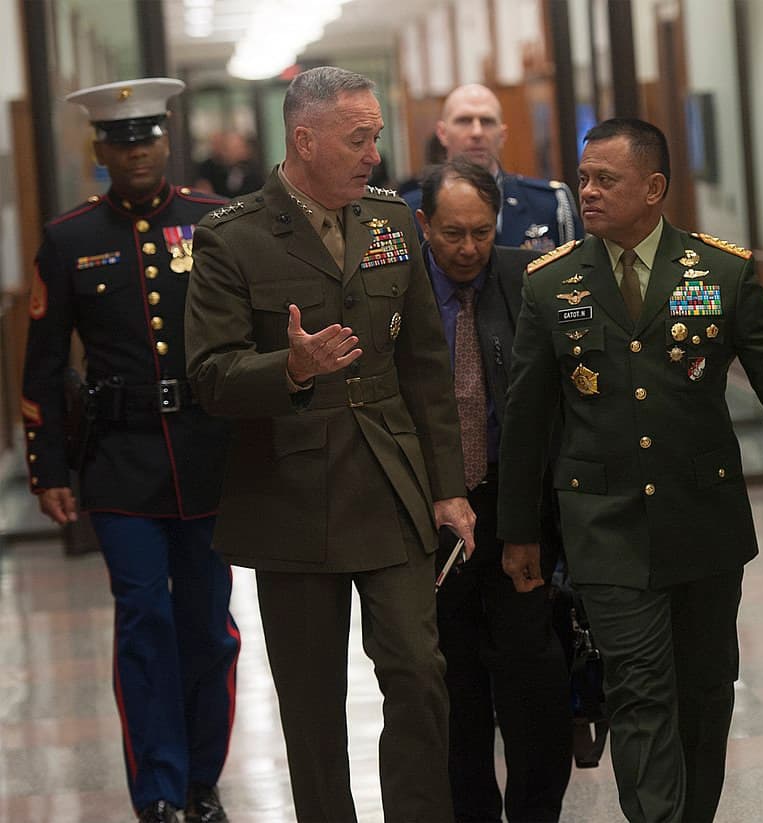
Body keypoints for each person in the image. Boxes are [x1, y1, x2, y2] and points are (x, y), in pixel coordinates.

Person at [497, 118, 763, 823]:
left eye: (605, 179)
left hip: (703, 518)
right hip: (606, 525)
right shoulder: (551, 285)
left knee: (706, 694)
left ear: (654, 188)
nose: (587, 190)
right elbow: (525, 421)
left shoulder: (723, 273)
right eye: (584, 177)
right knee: (640, 690)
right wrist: (520, 532)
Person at [185, 66, 476, 823]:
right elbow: (210, 377)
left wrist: (449, 487)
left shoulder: (390, 221)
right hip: (290, 492)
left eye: (375, 136)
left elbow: (424, 367)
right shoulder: (230, 238)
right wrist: (290, 366)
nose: (374, 153)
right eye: (359, 138)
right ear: (304, 139)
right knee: (312, 705)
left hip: (389, 477)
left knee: (418, 672)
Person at [21, 77, 240, 823]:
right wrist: (47, 466)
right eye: (120, 140)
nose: (136, 150)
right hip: (118, 460)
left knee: (208, 627)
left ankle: (201, 781)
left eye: (146, 136)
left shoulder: (216, 222)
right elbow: (44, 363)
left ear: (166, 141)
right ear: (100, 150)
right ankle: (158, 790)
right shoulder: (70, 237)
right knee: (144, 620)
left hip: (208, 457)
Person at [414, 157, 573, 823]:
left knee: (535, 687)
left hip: (515, 512)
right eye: (453, 234)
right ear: (425, 225)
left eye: (482, 231)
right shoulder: (399, 291)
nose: (469, 248)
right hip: (433, 519)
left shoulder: (526, 279)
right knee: (455, 694)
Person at [434, 83, 581, 251]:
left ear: (503, 135)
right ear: (442, 133)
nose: (477, 132)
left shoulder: (550, 203)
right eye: (464, 121)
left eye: (487, 121)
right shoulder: (415, 210)